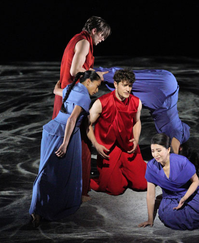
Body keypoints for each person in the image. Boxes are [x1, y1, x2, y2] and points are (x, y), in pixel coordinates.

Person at [29, 71, 102, 227]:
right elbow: (72, 119)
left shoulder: (70, 87)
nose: (97, 90)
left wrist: (58, 81)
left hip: (52, 129)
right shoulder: (84, 96)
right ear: (88, 81)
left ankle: (37, 208)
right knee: (62, 172)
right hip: (65, 134)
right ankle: (41, 208)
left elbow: (56, 91)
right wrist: (65, 143)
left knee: (46, 170)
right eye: (97, 86)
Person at [52, 16, 111, 202]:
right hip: (75, 96)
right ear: (94, 31)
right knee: (81, 145)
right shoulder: (84, 42)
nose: (102, 39)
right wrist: (96, 76)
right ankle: (78, 191)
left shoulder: (76, 39)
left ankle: (66, 187)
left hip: (67, 93)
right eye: (102, 35)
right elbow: (75, 70)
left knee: (70, 141)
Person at [138, 133, 199, 230]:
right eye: (153, 151)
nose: (155, 154)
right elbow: (150, 194)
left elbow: (195, 181)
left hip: (189, 193)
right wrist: (150, 219)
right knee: (170, 218)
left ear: (168, 149)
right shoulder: (151, 166)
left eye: (158, 150)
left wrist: (184, 198)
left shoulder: (181, 161)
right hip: (170, 198)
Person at [94, 67, 190, 154]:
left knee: (131, 81)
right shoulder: (177, 133)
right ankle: (98, 74)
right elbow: (175, 151)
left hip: (168, 83)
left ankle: (95, 72)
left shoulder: (181, 131)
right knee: (127, 84)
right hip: (161, 98)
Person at [86, 69, 147, 196]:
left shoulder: (136, 102)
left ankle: (126, 170)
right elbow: (87, 124)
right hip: (109, 149)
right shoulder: (101, 103)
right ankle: (118, 172)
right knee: (115, 189)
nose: (128, 89)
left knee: (143, 184)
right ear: (115, 84)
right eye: (124, 85)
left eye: (130, 86)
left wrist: (136, 139)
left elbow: (137, 121)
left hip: (127, 146)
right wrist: (96, 145)